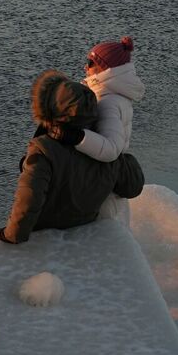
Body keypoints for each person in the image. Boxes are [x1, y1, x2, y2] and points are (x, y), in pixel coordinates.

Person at [0, 69, 137, 244]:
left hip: (47, 232)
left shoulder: (44, 149)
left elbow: (29, 198)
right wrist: (123, 161)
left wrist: (12, 235)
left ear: (50, 109)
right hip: (85, 227)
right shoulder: (103, 148)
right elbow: (133, 187)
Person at [54, 36, 145, 224]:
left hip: (105, 196)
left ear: (105, 69)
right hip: (110, 187)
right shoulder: (114, 95)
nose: (85, 67)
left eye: (90, 63)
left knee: (108, 236)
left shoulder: (107, 102)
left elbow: (111, 149)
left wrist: (76, 137)